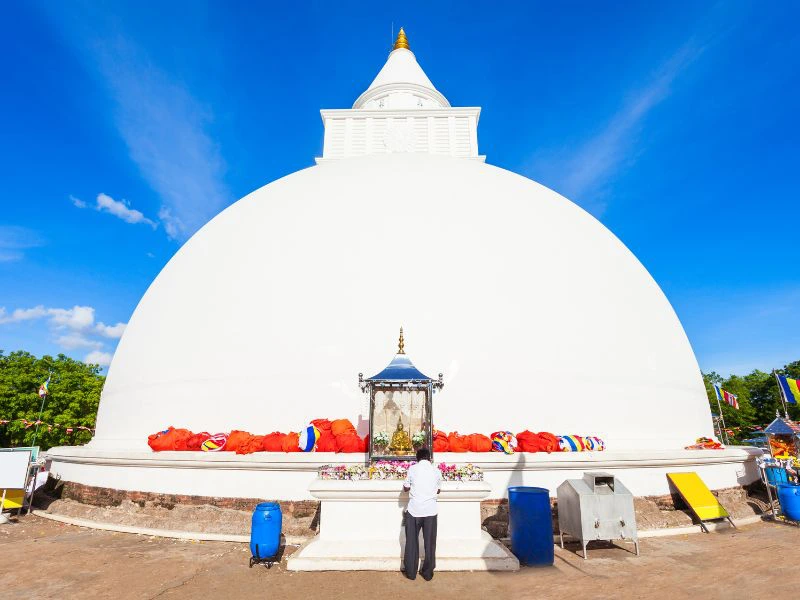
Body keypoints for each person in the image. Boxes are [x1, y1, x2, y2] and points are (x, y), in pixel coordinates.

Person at [402, 446, 441, 580]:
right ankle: (428, 572)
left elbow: (406, 488)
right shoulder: (436, 471)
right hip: (430, 510)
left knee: (412, 541)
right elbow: (438, 490)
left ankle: (411, 572)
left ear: (417, 458)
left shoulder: (412, 469)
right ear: (430, 458)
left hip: (414, 510)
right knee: (430, 542)